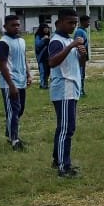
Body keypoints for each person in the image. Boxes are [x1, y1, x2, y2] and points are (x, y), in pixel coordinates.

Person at [48, 9, 86, 177]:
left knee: (63, 127)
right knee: (67, 128)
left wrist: (82, 55)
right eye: (70, 22)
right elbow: (52, 62)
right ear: (60, 22)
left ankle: (57, 159)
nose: (73, 26)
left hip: (72, 87)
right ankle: (64, 166)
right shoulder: (57, 41)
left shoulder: (69, 40)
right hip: (63, 89)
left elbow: (76, 63)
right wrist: (71, 46)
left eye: (75, 23)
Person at [0, 15, 28, 150]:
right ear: (5, 27)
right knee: (13, 111)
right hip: (10, 82)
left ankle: (10, 132)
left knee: (20, 110)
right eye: (13, 25)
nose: (16, 27)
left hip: (21, 80)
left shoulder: (21, 40)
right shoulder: (3, 42)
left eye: (18, 25)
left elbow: (24, 57)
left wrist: (28, 74)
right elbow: (2, 65)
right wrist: (11, 85)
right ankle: (14, 140)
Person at [74, 15, 91, 96]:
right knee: (80, 73)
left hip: (84, 55)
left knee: (82, 73)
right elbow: (78, 44)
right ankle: (79, 91)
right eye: (87, 22)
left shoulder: (84, 31)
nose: (89, 23)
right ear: (83, 22)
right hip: (80, 56)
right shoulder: (79, 31)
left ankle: (82, 90)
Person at [34, 24, 51, 89]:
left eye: (47, 28)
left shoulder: (49, 36)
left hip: (48, 56)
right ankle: (42, 84)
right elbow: (38, 45)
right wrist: (43, 39)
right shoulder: (38, 36)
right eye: (45, 28)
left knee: (48, 71)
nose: (46, 29)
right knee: (43, 71)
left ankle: (46, 84)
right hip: (41, 57)